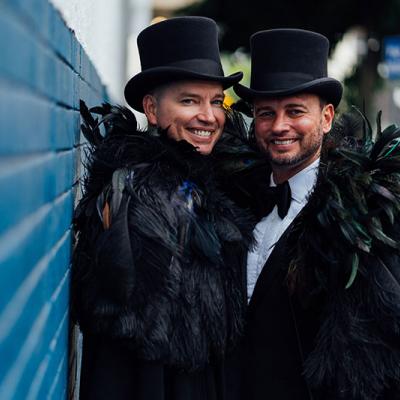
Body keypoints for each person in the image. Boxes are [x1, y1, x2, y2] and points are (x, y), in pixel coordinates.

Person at [72, 16, 254, 400]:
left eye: (216, 102)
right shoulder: (143, 199)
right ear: (152, 110)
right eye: (189, 101)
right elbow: (136, 353)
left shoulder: (206, 182)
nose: (209, 116)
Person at [231, 28, 400, 399]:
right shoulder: (239, 203)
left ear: (326, 118)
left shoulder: (361, 220)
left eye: (295, 112)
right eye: (266, 113)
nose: (279, 126)